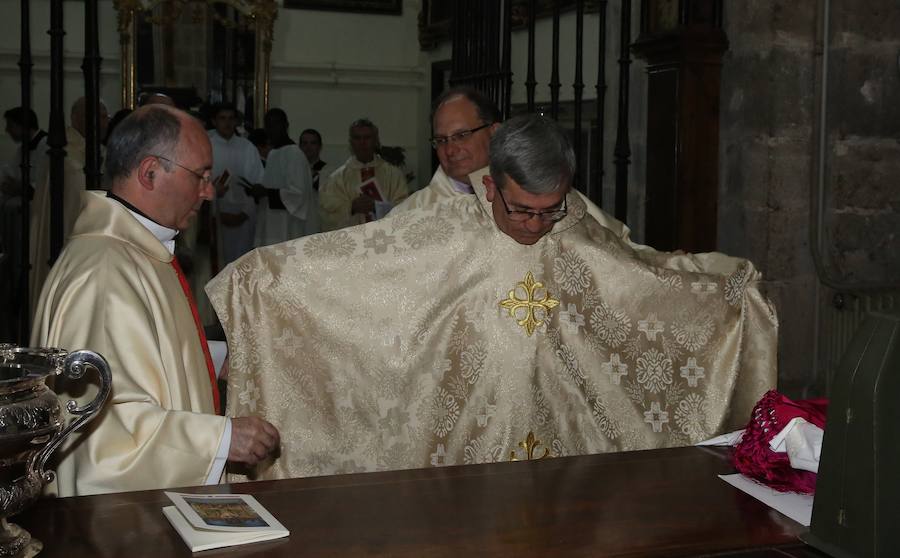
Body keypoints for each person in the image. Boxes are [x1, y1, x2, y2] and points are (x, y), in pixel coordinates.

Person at [207, 114, 776, 480]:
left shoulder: (572, 219)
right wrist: (263, 290)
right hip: (465, 444)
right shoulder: (438, 229)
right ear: (489, 184)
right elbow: (354, 266)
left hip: (560, 438)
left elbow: (639, 274)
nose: (534, 226)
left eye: (548, 210)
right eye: (520, 209)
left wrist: (723, 286)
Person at [32, 104, 280, 497]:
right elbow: (104, 439)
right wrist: (222, 439)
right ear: (150, 172)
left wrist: (213, 359)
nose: (209, 191)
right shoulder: (104, 274)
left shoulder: (135, 250)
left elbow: (143, 350)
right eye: (199, 176)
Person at [393, 87, 634, 243]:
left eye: (462, 135)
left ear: (494, 131)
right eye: (441, 140)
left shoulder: (546, 192)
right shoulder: (413, 214)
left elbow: (618, 244)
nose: (450, 149)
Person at [29, 97, 109, 318]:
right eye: (98, 117)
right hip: (64, 236)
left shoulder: (98, 151)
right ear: (76, 118)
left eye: (105, 117)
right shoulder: (65, 154)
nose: (103, 123)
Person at [319, 118, 408, 231]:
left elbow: (404, 208)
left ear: (375, 140)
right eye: (357, 138)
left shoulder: (393, 175)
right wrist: (351, 207)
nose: (362, 142)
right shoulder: (337, 178)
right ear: (351, 142)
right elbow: (327, 212)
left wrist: (377, 207)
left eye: (367, 137)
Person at [208, 102, 264, 266]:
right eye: (222, 118)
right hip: (215, 215)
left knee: (242, 266)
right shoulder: (206, 146)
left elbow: (257, 184)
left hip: (244, 218)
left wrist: (243, 214)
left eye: (231, 118)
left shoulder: (247, 148)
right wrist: (218, 211)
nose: (227, 123)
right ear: (214, 121)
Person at [253, 108, 317, 247]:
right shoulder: (273, 154)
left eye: (276, 124)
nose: (272, 129)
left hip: (288, 227)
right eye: (268, 125)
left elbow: (298, 195)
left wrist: (266, 192)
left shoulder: (295, 154)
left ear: (286, 126)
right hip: (270, 225)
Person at [299, 128, 328, 192]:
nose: (308, 146)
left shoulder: (328, 171)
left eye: (313, 143)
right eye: (305, 143)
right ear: (300, 147)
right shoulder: (293, 170)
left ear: (320, 146)